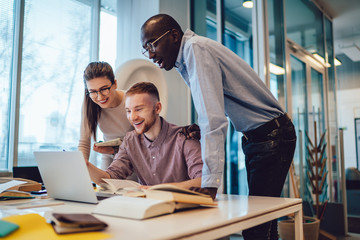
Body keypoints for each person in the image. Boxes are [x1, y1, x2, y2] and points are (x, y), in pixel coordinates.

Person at [140, 14, 296, 239]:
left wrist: (210, 183)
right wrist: (201, 129)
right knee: (262, 222)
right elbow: (216, 107)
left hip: (271, 136)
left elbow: (212, 118)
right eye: (146, 49)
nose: (151, 54)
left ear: (174, 36)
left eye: (152, 44)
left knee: (256, 226)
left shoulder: (195, 50)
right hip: (259, 137)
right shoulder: (189, 56)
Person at [79, 61, 200, 170]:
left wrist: (115, 150)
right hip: (109, 157)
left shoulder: (131, 102)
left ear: (115, 84)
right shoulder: (89, 105)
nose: (99, 97)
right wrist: (81, 170)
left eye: (104, 89)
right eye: (93, 92)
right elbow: (84, 142)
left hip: (136, 157)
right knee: (106, 190)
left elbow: (151, 139)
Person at [86, 82, 203, 189]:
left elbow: (203, 181)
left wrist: (156, 189)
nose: (132, 117)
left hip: (183, 210)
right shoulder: (130, 141)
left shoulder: (185, 138)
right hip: (146, 209)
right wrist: (86, 165)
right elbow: (110, 179)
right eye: (128, 111)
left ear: (157, 108)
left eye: (139, 109)